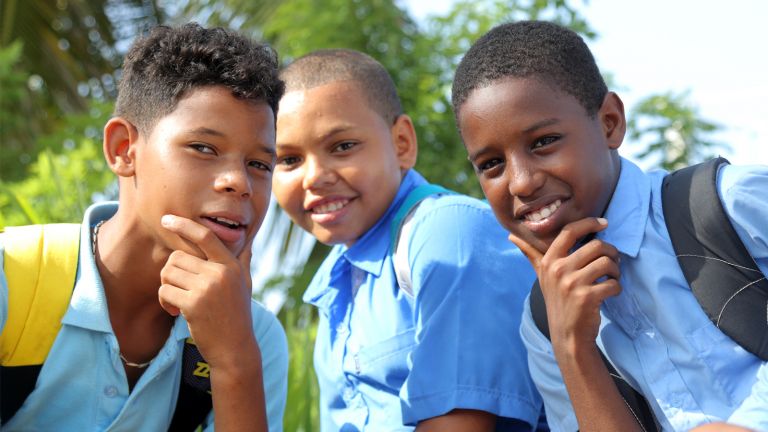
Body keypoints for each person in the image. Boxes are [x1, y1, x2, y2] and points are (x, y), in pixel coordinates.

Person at [451, 20, 768, 431]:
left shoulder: (729, 204)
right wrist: (572, 348)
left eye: (543, 141)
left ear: (610, 122)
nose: (521, 182)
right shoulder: (544, 323)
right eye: (491, 164)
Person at [0, 23, 288, 431]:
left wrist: (234, 359)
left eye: (259, 164)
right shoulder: (10, 279)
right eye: (203, 148)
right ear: (123, 150)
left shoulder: (255, 337)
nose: (238, 182)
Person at [271, 49, 545, 431]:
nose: (314, 177)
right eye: (287, 160)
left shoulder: (446, 233)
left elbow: (460, 423)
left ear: (402, 143)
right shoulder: (337, 278)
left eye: (342, 146)